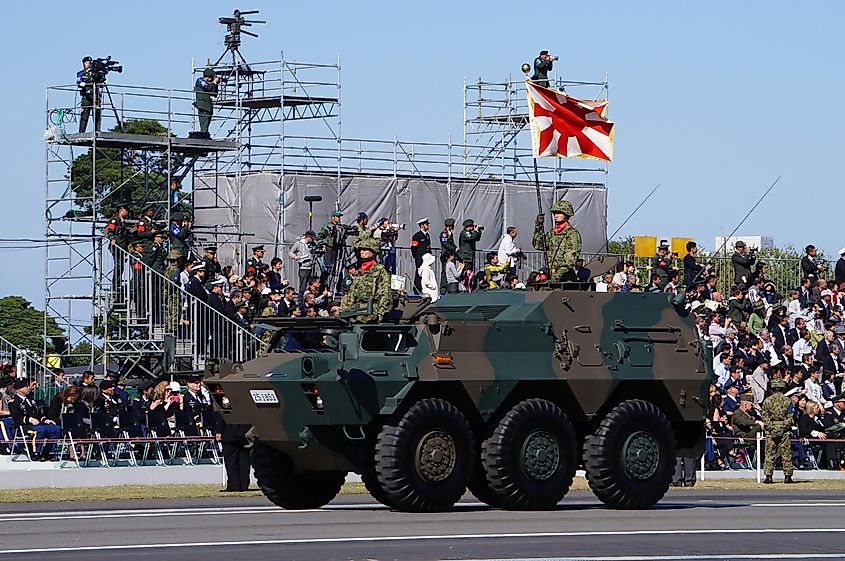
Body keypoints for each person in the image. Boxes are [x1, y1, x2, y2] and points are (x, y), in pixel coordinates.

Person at [340, 236, 392, 323]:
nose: (361, 252)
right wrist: (347, 309)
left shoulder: (379, 270)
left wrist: (380, 314)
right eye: (361, 250)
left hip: (371, 314)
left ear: (373, 251)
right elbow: (352, 293)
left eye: (365, 249)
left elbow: (385, 294)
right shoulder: (360, 271)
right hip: (355, 313)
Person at [9, 379, 61, 461]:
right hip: (24, 426)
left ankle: (48, 452)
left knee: (55, 429)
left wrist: (45, 420)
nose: (28, 388)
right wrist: (30, 419)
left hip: (37, 424)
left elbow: (38, 414)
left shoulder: (30, 400)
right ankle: (35, 452)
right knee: (40, 430)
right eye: (26, 386)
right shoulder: (14, 402)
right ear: (19, 389)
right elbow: (17, 418)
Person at [533, 199, 582, 283]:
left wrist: (555, 277)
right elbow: (538, 245)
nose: (556, 215)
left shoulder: (572, 234)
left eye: (559, 213)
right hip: (551, 276)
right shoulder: (552, 233)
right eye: (555, 213)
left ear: (566, 214)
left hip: (565, 279)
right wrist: (538, 226)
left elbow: (569, 261)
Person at [762, 378, 795, 484]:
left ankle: (768, 476)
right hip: (784, 430)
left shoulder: (767, 401)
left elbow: (765, 417)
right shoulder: (788, 401)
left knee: (769, 454)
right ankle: (788, 476)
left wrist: (772, 427)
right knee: (786, 454)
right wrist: (783, 427)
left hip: (771, 430)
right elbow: (790, 416)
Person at [216, 416, 252, 492]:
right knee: (244, 461)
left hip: (230, 433)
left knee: (231, 462)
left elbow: (223, 415)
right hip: (245, 433)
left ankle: (234, 485)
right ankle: (243, 484)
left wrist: (219, 431)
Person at [105, 204, 130, 290]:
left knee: (121, 266)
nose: (127, 212)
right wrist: (112, 239)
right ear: (121, 210)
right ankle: (115, 284)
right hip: (116, 246)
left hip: (122, 247)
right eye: (125, 210)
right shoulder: (115, 220)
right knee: (119, 265)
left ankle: (118, 283)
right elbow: (110, 231)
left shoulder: (123, 221)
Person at [317, 211, 345, 286]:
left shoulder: (340, 227)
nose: (339, 218)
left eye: (339, 217)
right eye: (337, 217)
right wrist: (323, 245)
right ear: (333, 217)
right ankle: (323, 286)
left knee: (339, 268)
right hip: (329, 249)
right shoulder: (327, 227)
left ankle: (338, 287)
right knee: (328, 268)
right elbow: (319, 236)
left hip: (338, 249)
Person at [77, 56, 101, 133]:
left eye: (89, 62)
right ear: (84, 63)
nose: (88, 64)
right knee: (84, 115)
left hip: (95, 95)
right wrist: (81, 83)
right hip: (86, 96)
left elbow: (100, 80)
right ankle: (81, 132)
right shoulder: (81, 73)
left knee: (97, 114)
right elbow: (78, 82)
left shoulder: (95, 73)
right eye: (87, 62)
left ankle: (97, 131)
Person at [194, 68, 220, 136]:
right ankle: (204, 135)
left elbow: (214, 94)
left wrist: (216, 84)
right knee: (204, 123)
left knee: (207, 122)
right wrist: (214, 82)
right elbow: (207, 88)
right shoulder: (200, 81)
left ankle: (205, 134)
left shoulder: (209, 84)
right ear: (208, 77)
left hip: (208, 106)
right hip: (203, 105)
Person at [410, 218, 432, 293]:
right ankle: (417, 288)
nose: (428, 226)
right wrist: (416, 256)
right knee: (419, 272)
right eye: (426, 224)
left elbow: (428, 247)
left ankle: (424, 288)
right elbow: (413, 248)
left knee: (426, 273)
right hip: (419, 257)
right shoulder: (417, 236)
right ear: (422, 225)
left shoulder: (427, 235)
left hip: (426, 258)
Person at [439, 218, 457, 293]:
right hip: (445, 255)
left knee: (451, 272)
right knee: (444, 272)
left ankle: (450, 288)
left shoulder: (450, 234)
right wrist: (454, 249)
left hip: (451, 255)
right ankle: (443, 288)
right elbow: (445, 244)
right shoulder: (444, 234)